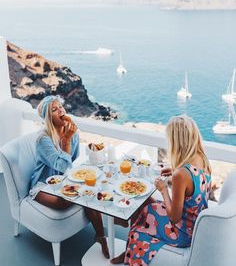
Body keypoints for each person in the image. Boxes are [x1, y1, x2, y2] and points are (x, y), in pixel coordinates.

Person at [111, 115, 212, 265]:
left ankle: (132, 250)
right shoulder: (202, 158)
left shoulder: (181, 174)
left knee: (138, 229)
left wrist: (164, 189)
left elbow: (174, 218)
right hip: (194, 224)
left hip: (182, 232)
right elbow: (192, 181)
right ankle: (128, 251)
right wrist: (174, 170)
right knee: (143, 203)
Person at [30, 95, 109, 259]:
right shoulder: (42, 139)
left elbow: (72, 158)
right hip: (44, 184)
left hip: (65, 180)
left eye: (61, 107)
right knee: (63, 201)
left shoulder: (70, 131)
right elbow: (63, 165)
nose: (61, 110)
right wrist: (66, 140)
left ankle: (101, 236)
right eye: (54, 109)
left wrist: (70, 137)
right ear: (47, 117)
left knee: (87, 191)